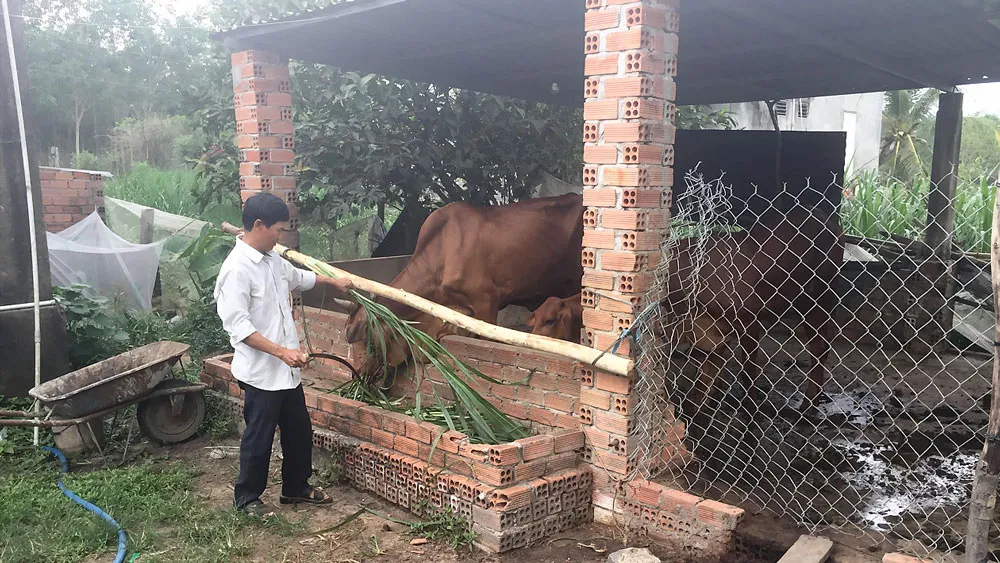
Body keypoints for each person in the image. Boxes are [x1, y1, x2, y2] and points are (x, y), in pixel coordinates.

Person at [214, 192, 353, 517]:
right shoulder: (236, 270)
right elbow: (240, 329)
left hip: (287, 375)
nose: (281, 236)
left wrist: (333, 282)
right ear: (259, 225)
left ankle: (295, 488)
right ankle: (247, 498)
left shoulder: (273, 260)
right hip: (262, 374)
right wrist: (282, 353)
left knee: (299, 432)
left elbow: (300, 279)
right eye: (277, 229)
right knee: (258, 439)